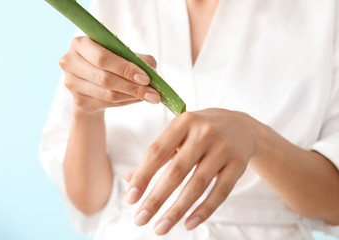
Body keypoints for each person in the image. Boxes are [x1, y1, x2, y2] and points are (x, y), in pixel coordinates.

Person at [39, 0, 339, 239]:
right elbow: (90, 203)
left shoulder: (325, 12)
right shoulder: (116, 6)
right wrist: (85, 109)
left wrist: (257, 139)